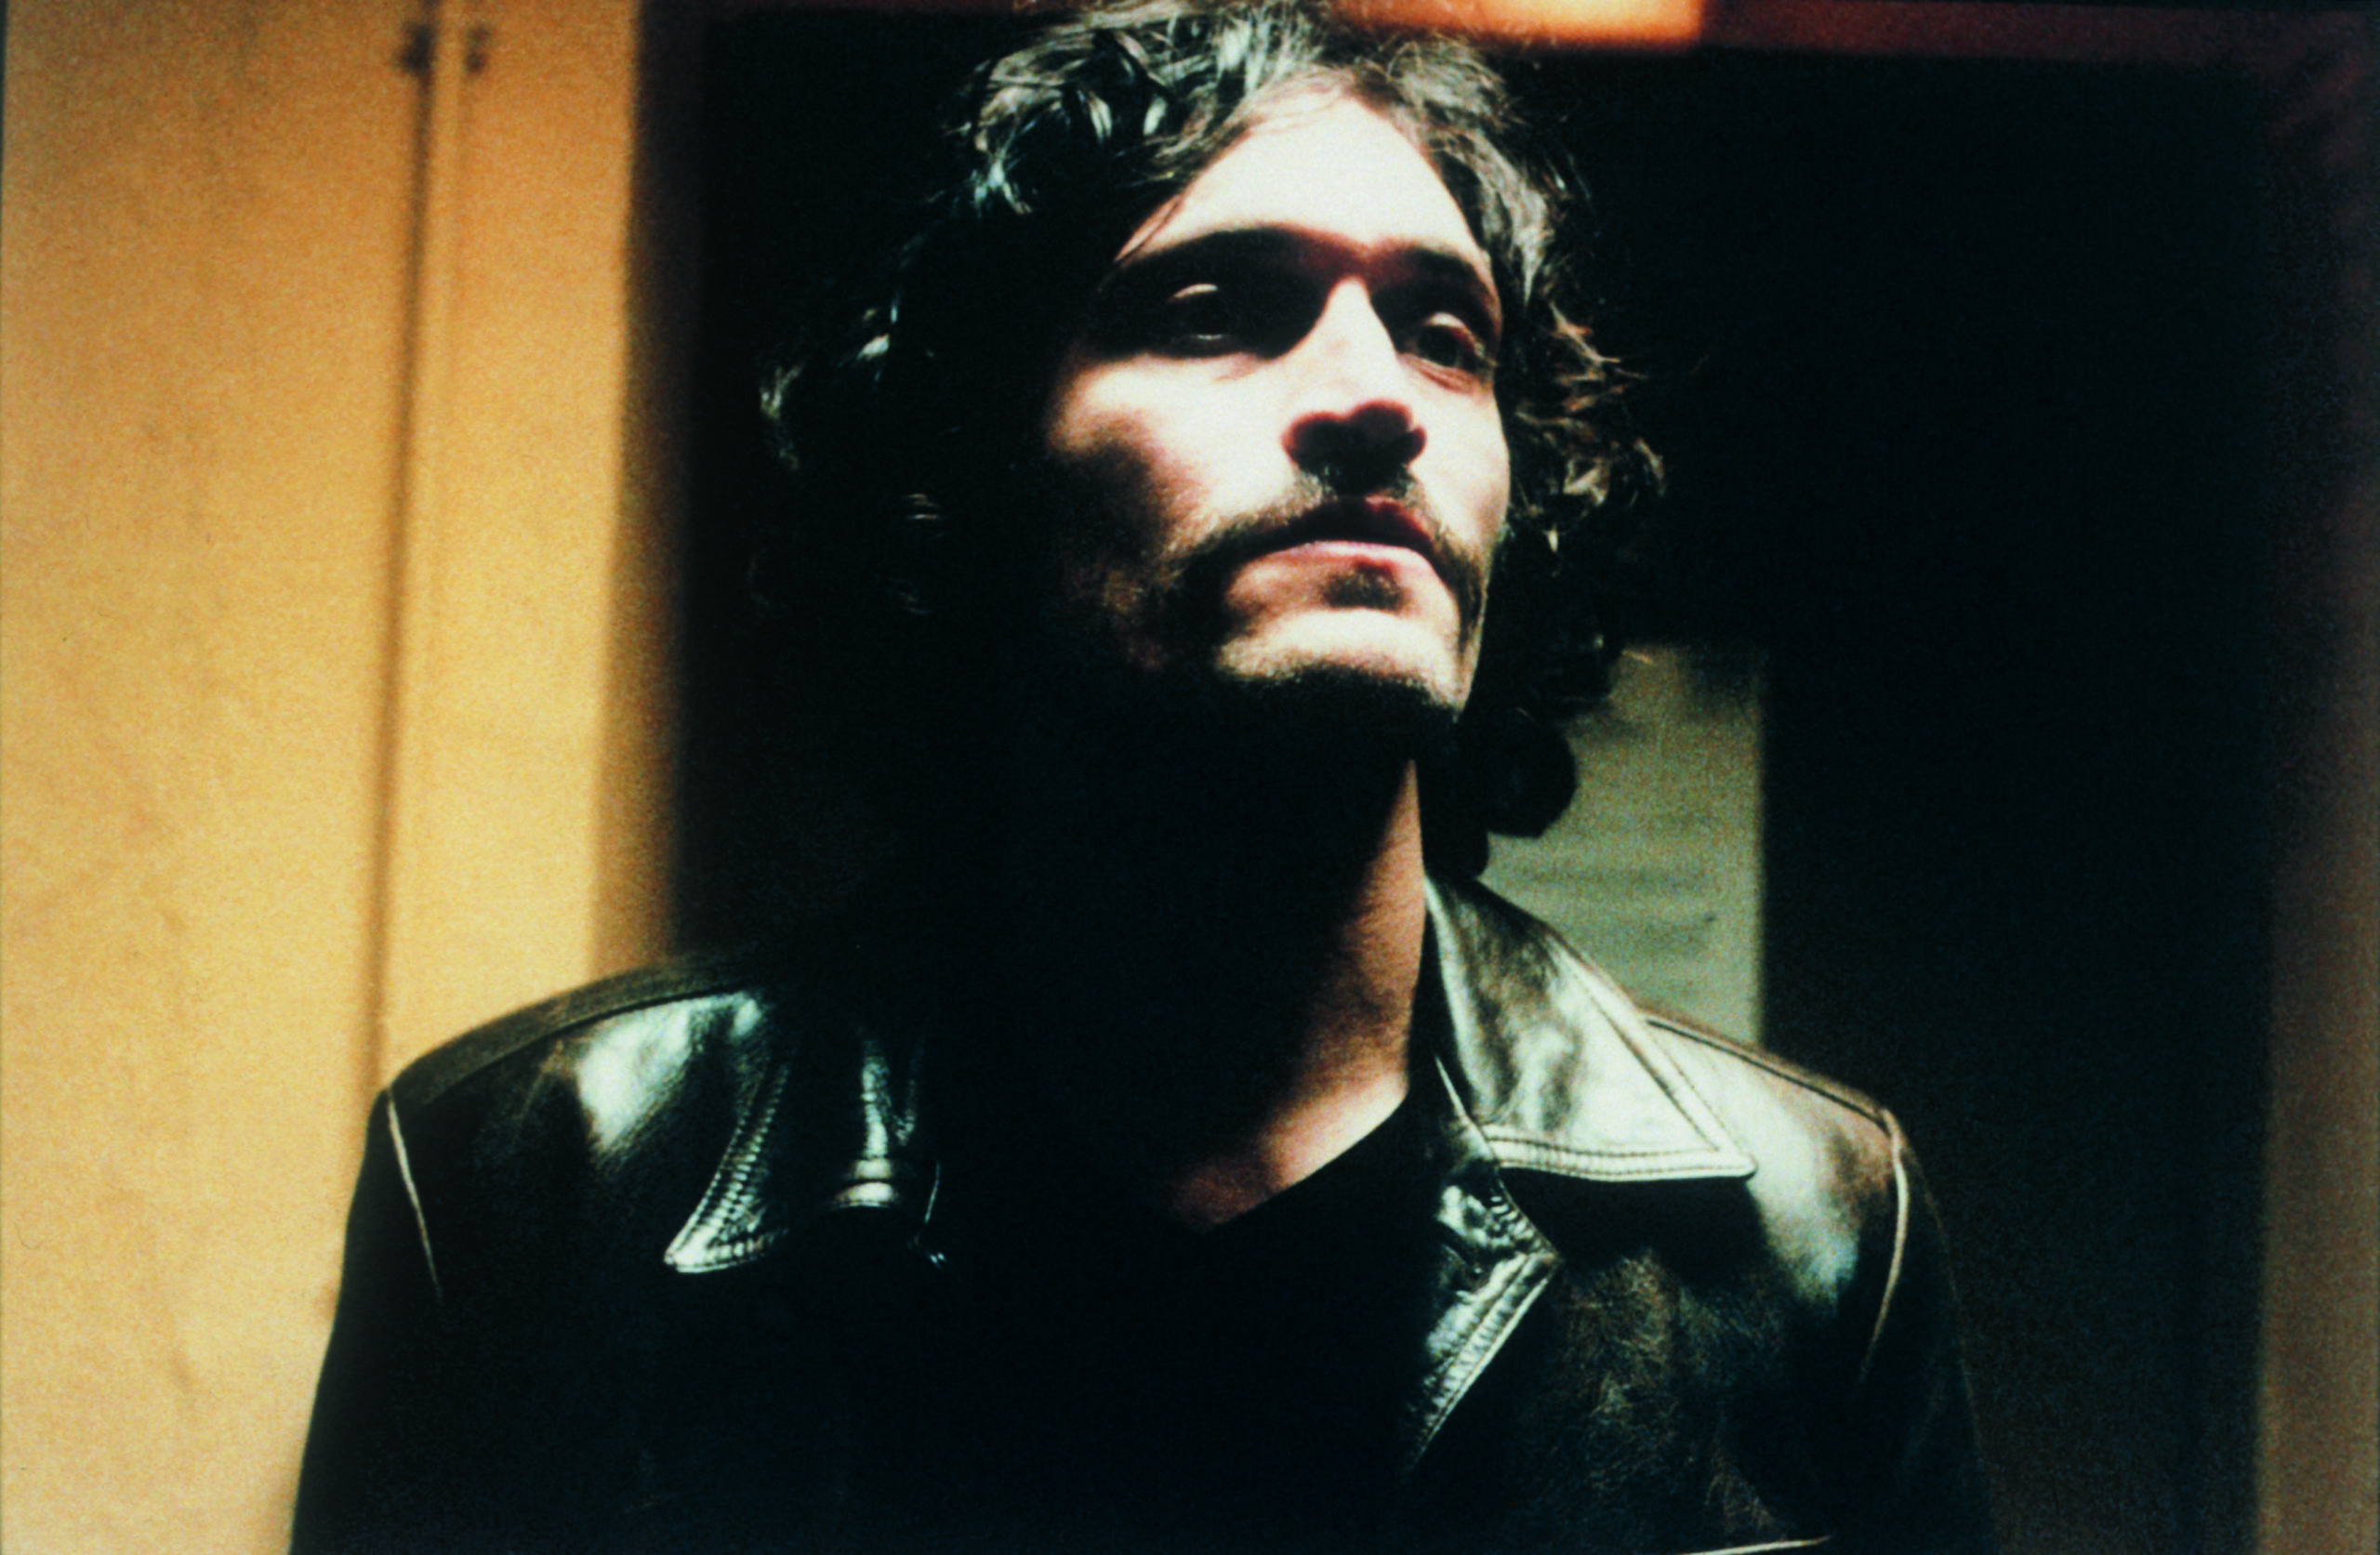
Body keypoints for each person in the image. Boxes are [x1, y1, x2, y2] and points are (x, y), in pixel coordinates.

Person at [294, 2, 1995, 1550]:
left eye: (1445, 334)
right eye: (1216, 312)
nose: (1378, 400)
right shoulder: (537, 1182)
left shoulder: (1805, 1227)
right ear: (976, 460)